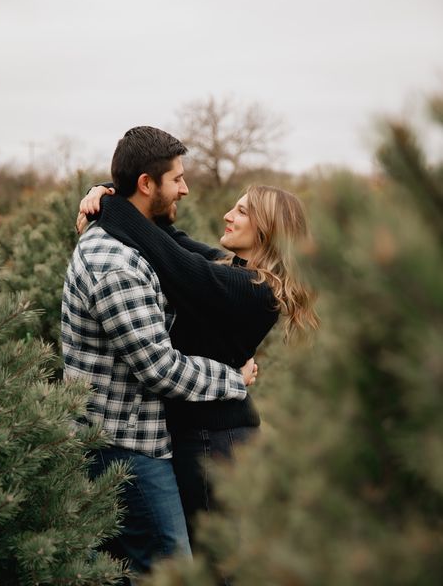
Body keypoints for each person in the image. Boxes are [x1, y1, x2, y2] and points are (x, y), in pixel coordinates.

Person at [61, 126, 258, 584]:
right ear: (147, 184)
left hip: (138, 437)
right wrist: (232, 378)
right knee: (168, 569)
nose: (186, 188)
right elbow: (159, 368)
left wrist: (106, 198)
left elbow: (190, 257)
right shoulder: (115, 264)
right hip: (125, 445)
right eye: (177, 179)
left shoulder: (134, 241)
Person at [78, 176, 319, 548]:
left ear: (267, 230)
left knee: (216, 564)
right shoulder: (230, 270)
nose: (227, 215)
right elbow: (171, 236)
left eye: (241, 211)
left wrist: (106, 205)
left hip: (215, 443)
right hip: (204, 435)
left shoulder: (249, 291)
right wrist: (111, 189)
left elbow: (163, 251)